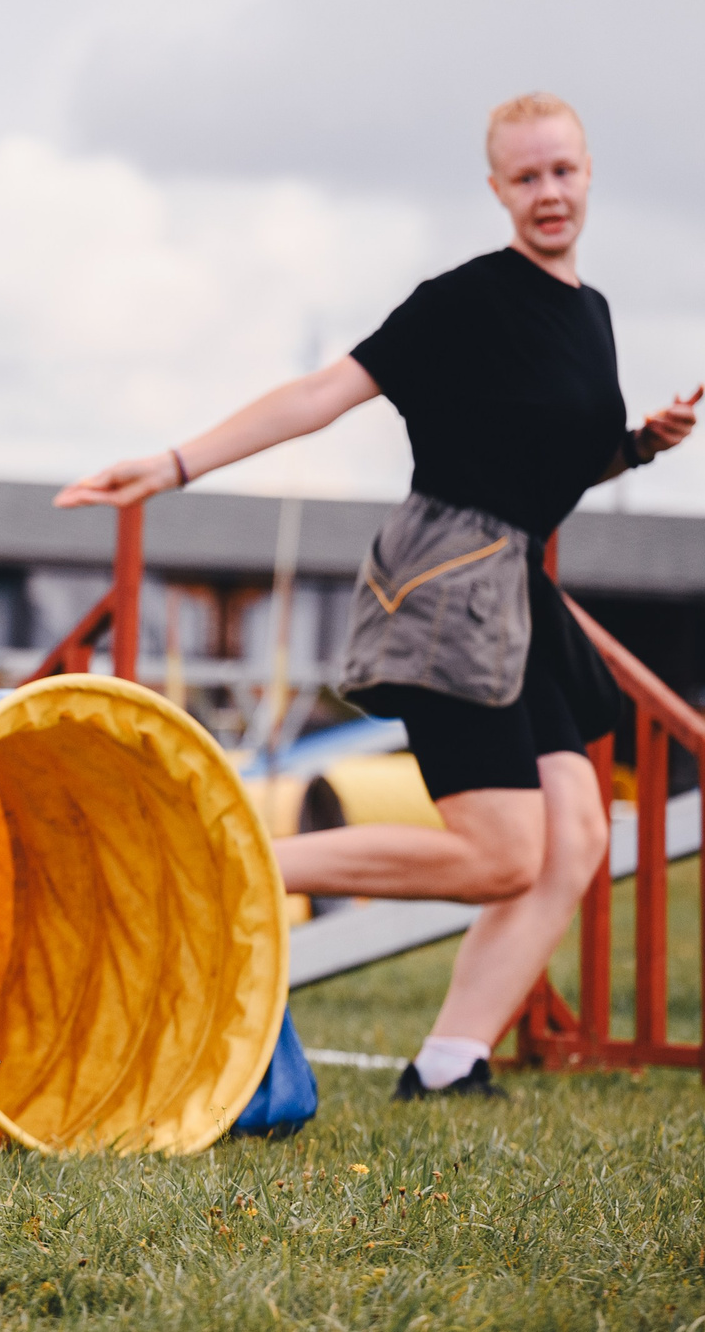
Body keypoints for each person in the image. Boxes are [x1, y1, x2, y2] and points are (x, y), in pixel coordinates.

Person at [57, 93, 699, 1099]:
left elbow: (548, 464)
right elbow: (320, 394)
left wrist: (635, 447)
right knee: (499, 856)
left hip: (519, 584)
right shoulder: (462, 300)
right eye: (524, 176)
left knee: (575, 835)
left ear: (587, 172)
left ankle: (447, 1063)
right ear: (495, 187)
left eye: (561, 171)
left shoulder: (592, 313)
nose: (547, 193)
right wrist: (174, 463)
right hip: (446, 585)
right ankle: (237, 858)